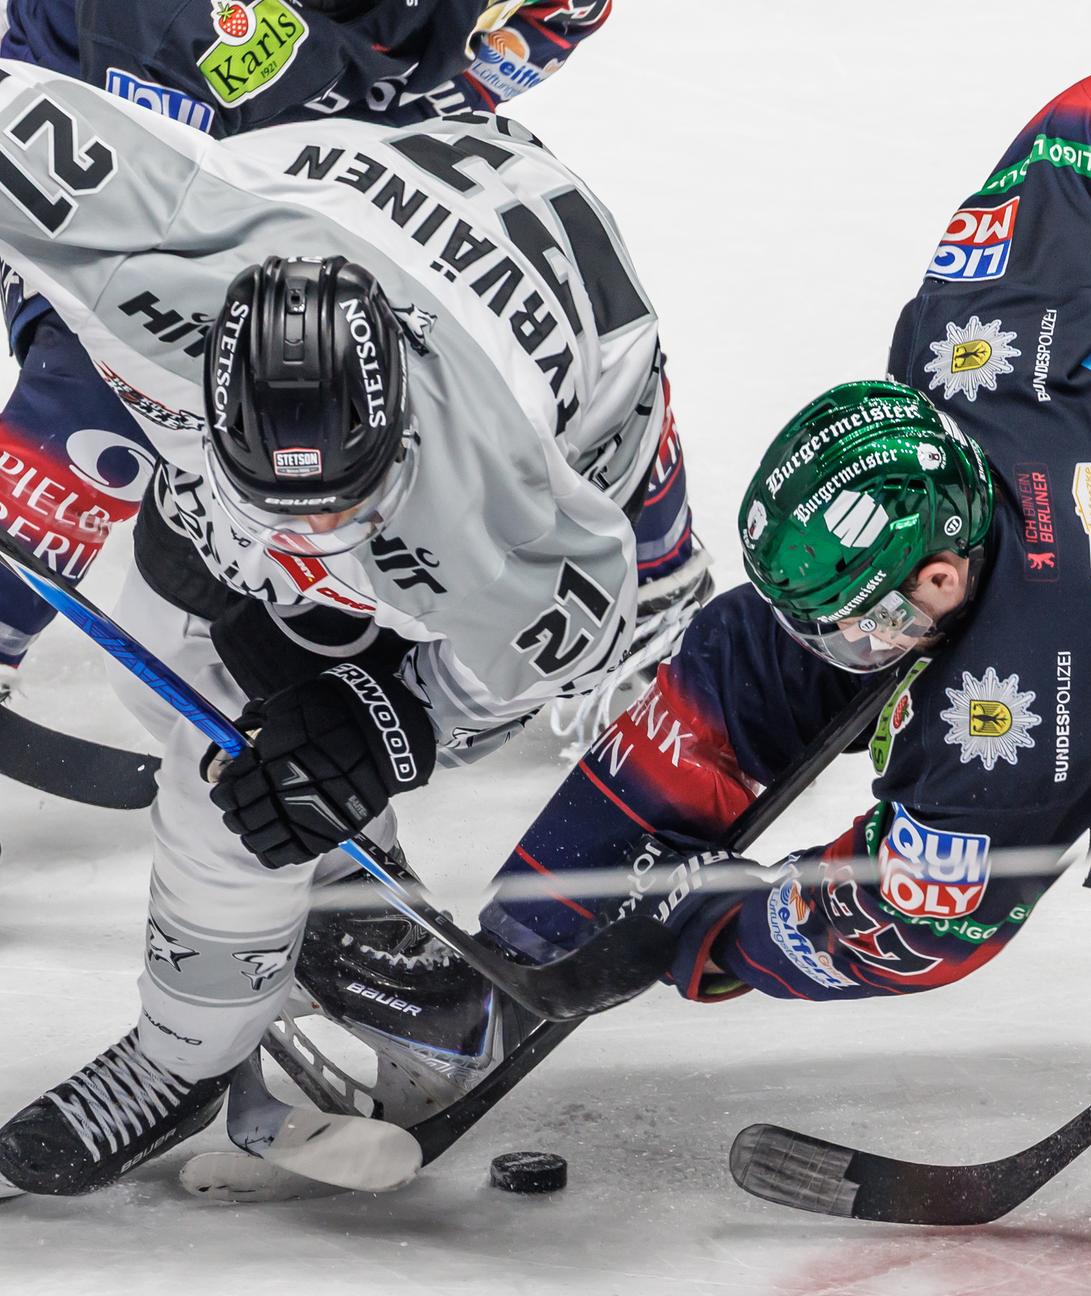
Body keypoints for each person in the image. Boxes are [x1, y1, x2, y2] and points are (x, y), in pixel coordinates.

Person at [295, 69, 1091, 1264]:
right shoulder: (979, 348)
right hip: (1078, 509)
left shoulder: (1019, 722)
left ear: (949, 583)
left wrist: (712, 931)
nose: (840, 654)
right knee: (747, 666)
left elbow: (925, 920)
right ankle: (520, 945)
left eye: (862, 625)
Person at [0, 55, 683, 1195]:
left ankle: (185, 1057)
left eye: (341, 502)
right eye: (270, 493)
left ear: (400, 437)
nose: (306, 541)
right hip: (372, 204)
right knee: (173, 636)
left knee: (252, 766)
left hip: (587, 395)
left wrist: (384, 727)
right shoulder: (155, 250)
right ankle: (315, 889)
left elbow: (598, 625)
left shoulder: (505, 503)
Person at [0, 0, 706, 712]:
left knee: (555, 304)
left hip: (342, 120)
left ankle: (657, 569)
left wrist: (419, 128)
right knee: (108, 385)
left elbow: (545, 30)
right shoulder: (169, 26)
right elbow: (148, 228)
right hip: (124, 136)